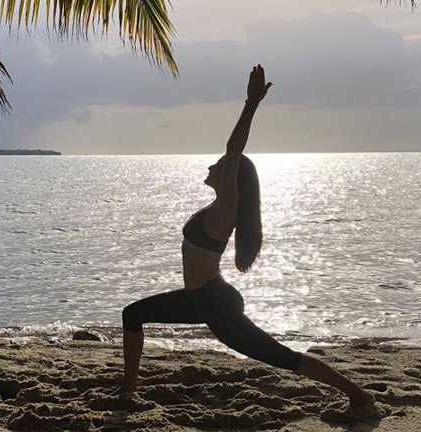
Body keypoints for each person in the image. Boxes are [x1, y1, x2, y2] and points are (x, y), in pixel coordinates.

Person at [120, 64, 375, 410]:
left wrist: (251, 103)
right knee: (132, 314)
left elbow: (234, 147)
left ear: (230, 178)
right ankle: (129, 391)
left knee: (282, 357)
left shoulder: (226, 209)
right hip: (201, 298)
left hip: (214, 302)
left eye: (219, 164)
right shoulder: (215, 209)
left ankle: (357, 394)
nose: (211, 167)